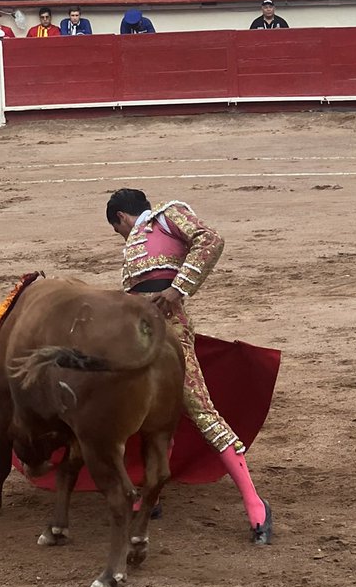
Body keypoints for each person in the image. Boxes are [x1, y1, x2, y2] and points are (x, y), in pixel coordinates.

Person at [105, 189, 272, 544]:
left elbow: (210, 240)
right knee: (145, 409)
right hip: (137, 330)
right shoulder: (140, 245)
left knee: (198, 407)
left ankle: (255, 503)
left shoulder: (168, 215)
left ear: (120, 217)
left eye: (117, 229)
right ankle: (152, 494)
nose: (122, 237)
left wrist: (178, 289)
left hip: (171, 329)